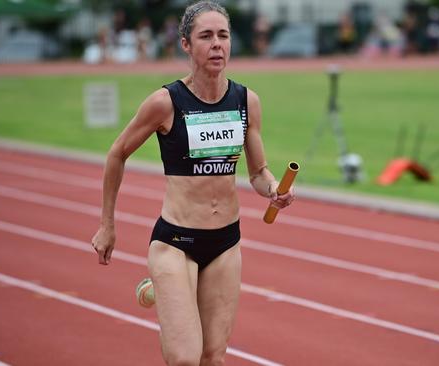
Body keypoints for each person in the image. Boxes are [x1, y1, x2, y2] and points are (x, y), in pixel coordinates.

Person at [90, 1, 295, 365]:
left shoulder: (246, 100)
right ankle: (170, 284)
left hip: (225, 243)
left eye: (223, 35)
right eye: (206, 36)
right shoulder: (166, 102)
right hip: (176, 242)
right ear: (186, 44)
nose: (217, 44)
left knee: (213, 357)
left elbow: (258, 172)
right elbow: (117, 154)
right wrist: (107, 225)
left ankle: (172, 292)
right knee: (185, 359)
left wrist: (275, 189)